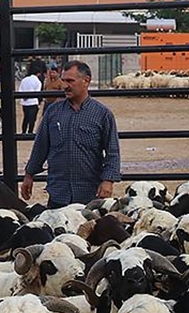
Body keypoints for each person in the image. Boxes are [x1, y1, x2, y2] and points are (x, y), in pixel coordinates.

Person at [21, 61, 121, 208]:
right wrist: (29, 175)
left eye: (70, 81)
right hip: (58, 194)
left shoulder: (102, 114)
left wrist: (108, 181)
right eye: (63, 80)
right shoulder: (53, 112)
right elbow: (40, 147)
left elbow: (113, 151)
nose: (64, 85)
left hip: (89, 196)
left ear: (86, 81)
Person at [18, 61, 44, 136]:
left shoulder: (24, 80)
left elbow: (20, 90)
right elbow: (37, 92)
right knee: (32, 118)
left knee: (25, 117)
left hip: (24, 102)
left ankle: (23, 131)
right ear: (38, 73)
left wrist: (24, 97)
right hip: (33, 102)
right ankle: (30, 131)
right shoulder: (38, 81)